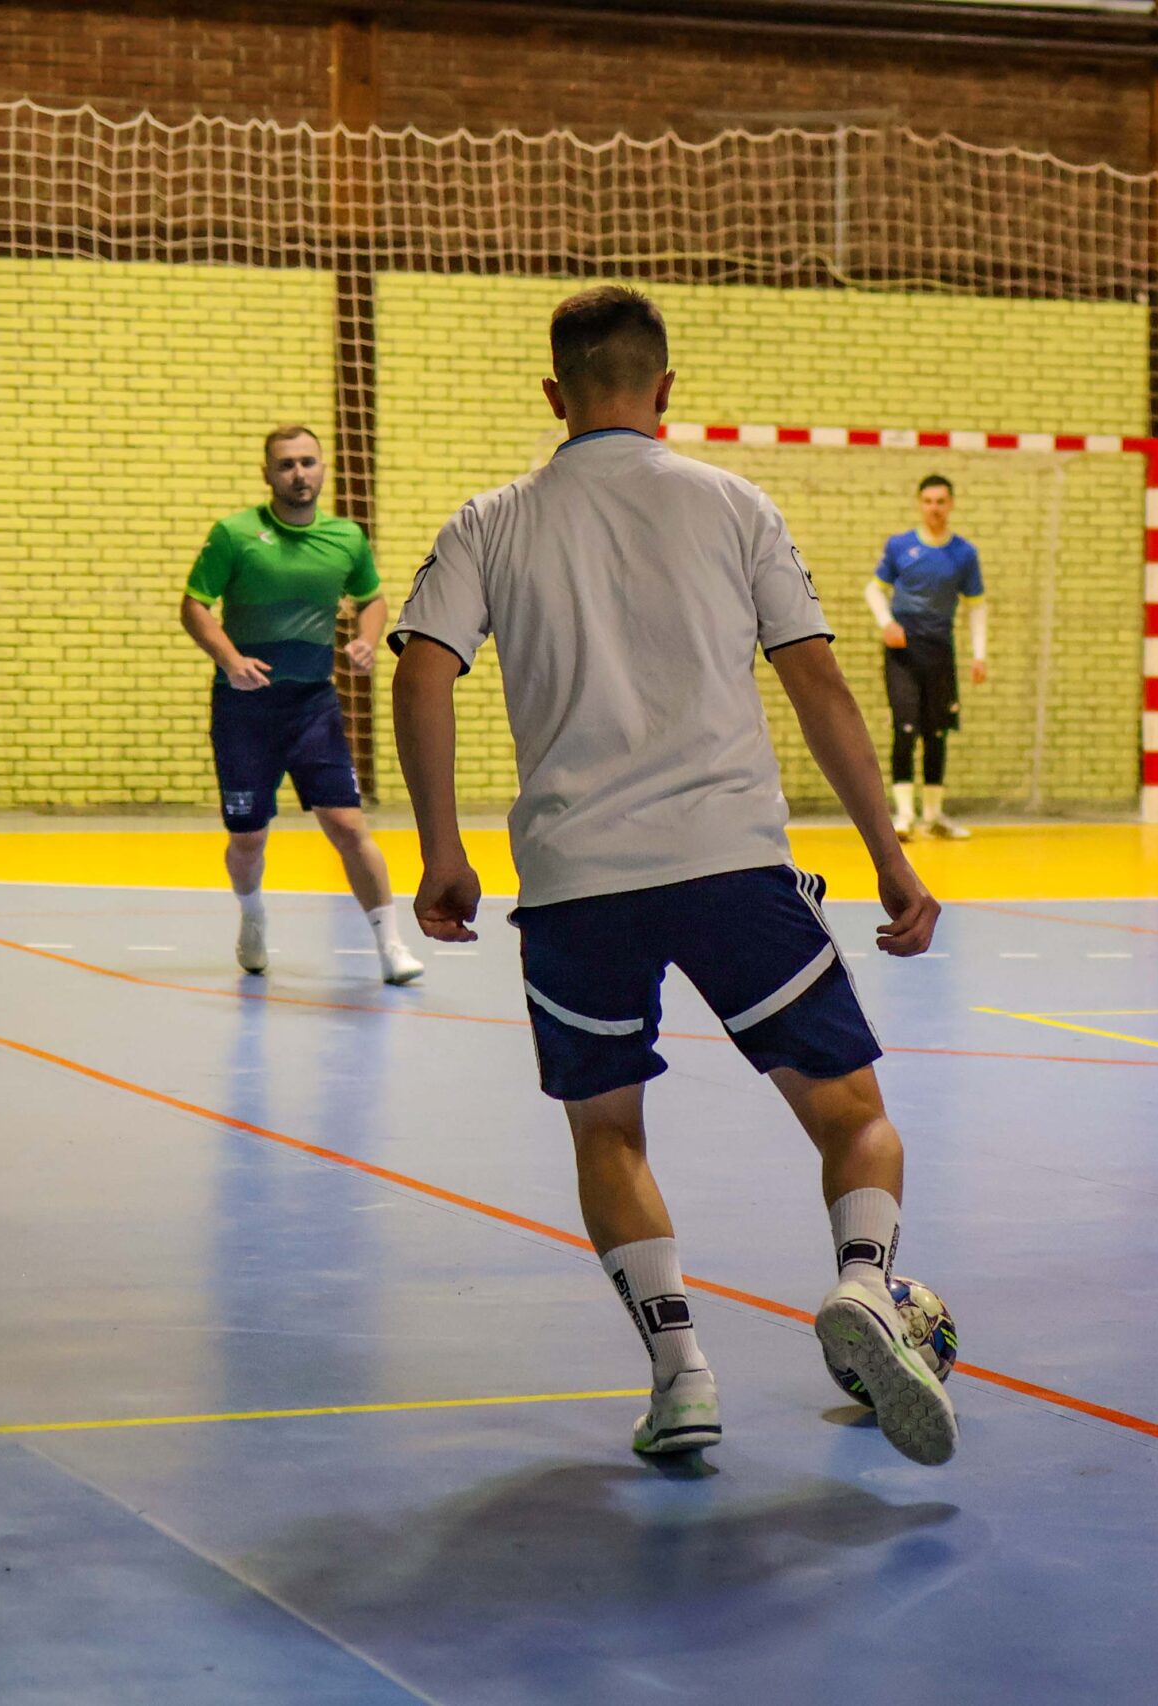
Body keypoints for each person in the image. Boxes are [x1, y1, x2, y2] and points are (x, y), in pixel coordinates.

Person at [390, 285, 958, 1464]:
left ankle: (680, 1375)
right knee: (852, 1116)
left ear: (554, 394)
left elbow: (420, 672)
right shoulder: (735, 503)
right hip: (729, 863)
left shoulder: (489, 521)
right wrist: (890, 855)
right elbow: (818, 683)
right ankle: (865, 1282)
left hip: (573, 879)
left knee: (609, 1130)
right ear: (665, 389)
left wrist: (442, 847)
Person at [181, 426, 423, 986]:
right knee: (248, 837)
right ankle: (252, 916)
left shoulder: (345, 538)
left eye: (308, 462)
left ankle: (391, 945)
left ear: (323, 468)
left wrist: (367, 639)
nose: (298, 474)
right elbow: (194, 606)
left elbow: (372, 598)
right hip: (245, 712)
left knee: (346, 823)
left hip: (313, 706)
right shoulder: (235, 534)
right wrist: (230, 660)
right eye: (286, 464)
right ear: (267, 473)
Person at [865, 474, 988, 840]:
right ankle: (904, 816)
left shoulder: (964, 554)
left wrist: (979, 655)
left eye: (941, 502)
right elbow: (874, 589)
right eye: (928, 501)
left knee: (937, 731)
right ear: (920, 504)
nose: (934, 508)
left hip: (940, 650)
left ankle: (933, 816)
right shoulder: (900, 546)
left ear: (951, 505)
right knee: (905, 727)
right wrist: (887, 623)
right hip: (903, 650)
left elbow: (977, 606)